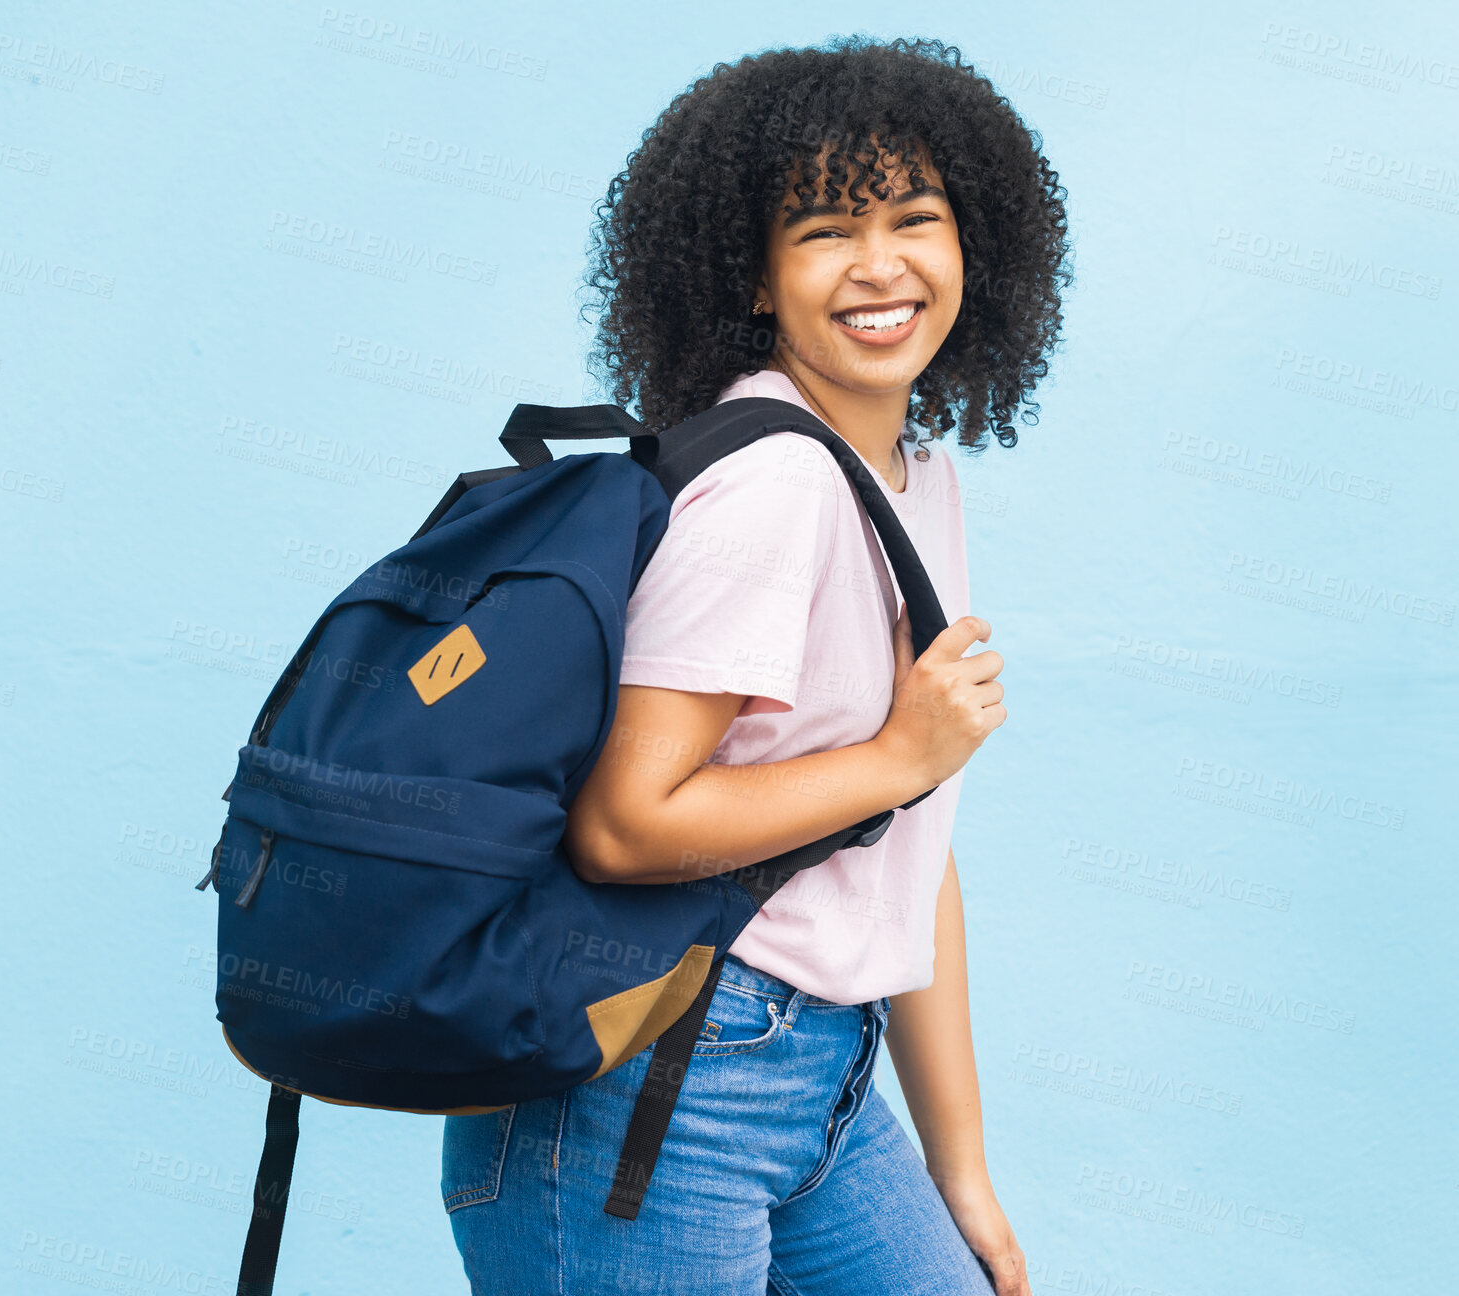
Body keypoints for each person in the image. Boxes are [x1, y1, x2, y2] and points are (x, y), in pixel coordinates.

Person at [441, 35, 1070, 1295]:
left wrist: (961, 1171)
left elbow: (907, 845)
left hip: (821, 1076)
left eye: (916, 217)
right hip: (653, 1079)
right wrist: (899, 750)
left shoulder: (912, 479)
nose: (880, 265)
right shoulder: (776, 479)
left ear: (974, 246)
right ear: (754, 276)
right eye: (826, 230)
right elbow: (625, 827)